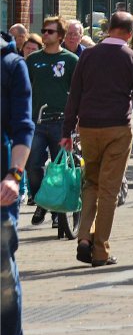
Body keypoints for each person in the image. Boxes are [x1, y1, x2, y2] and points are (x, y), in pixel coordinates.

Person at [61, 9, 133, 267]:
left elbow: (74, 95)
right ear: (130, 33)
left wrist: (67, 131)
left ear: (109, 28)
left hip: (88, 127)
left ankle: (84, 237)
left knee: (91, 182)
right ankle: (100, 250)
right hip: (118, 128)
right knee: (109, 190)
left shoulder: (88, 55)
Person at [24, 15, 79, 230]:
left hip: (61, 122)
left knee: (59, 168)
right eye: (44, 31)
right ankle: (41, 201)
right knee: (32, 165)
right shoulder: (32, 60)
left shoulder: (70, 60)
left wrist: (77, 118)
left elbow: (79, 91)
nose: (45, 34)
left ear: (60, 36)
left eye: (50, 31)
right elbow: (23, 89)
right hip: (37, 121)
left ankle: (58, 210)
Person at [1, 31, 33, 335]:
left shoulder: (10, 64)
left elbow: (23, 127)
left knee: (1, 271)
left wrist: (14, 174)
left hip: (2, 183)